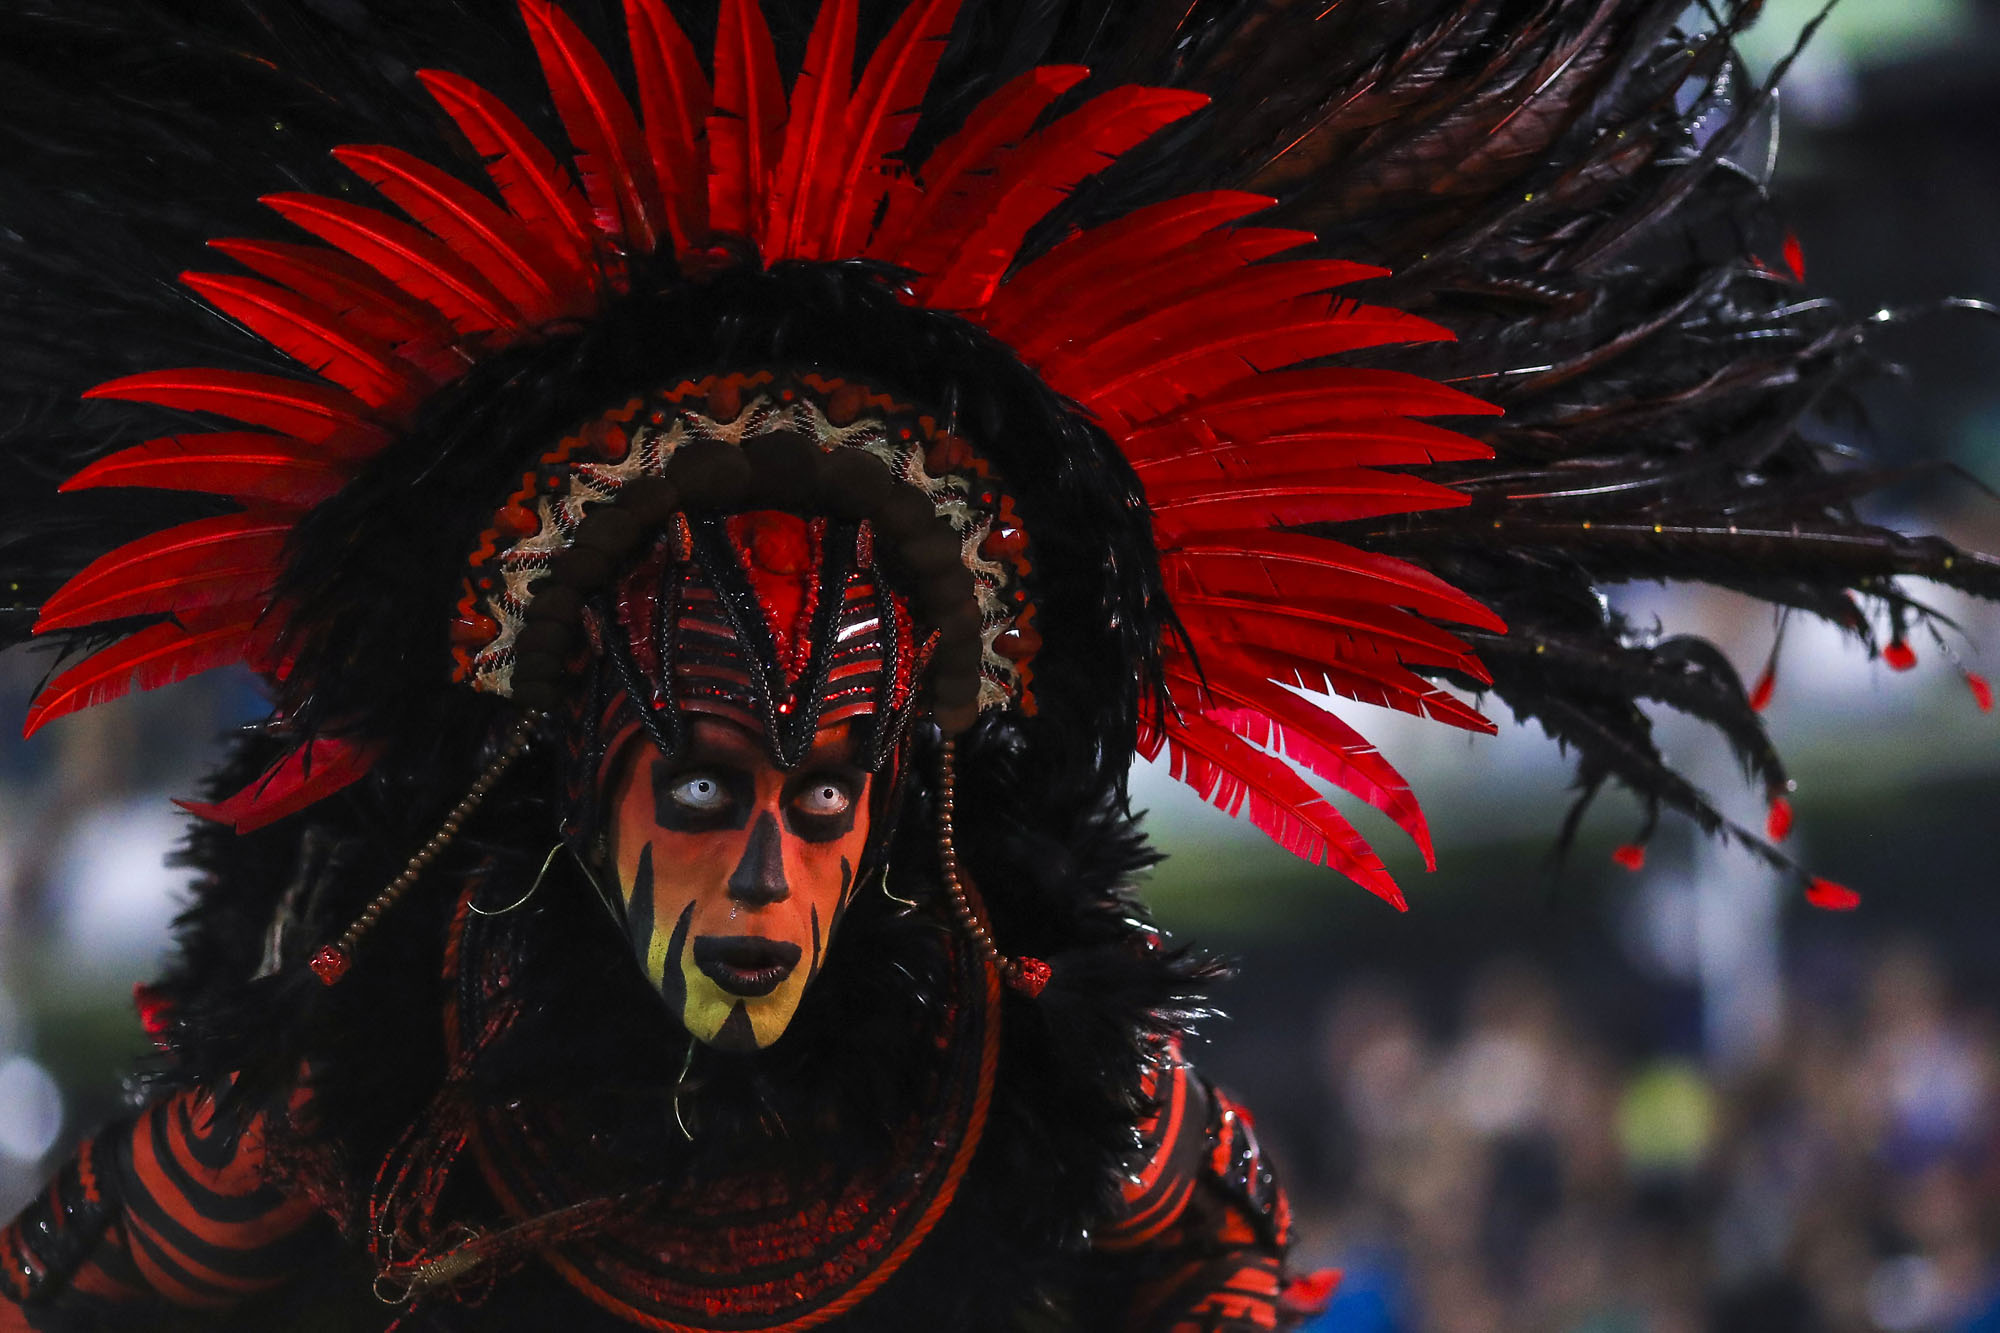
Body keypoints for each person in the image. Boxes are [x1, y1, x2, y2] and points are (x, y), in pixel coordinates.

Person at [0, 0, 1991, 1328]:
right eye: (698, 786)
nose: (771, 878)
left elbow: (1231, 1279)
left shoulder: (1049, 1078)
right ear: (564, 758)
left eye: (823, 790)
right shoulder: (339, 1083)